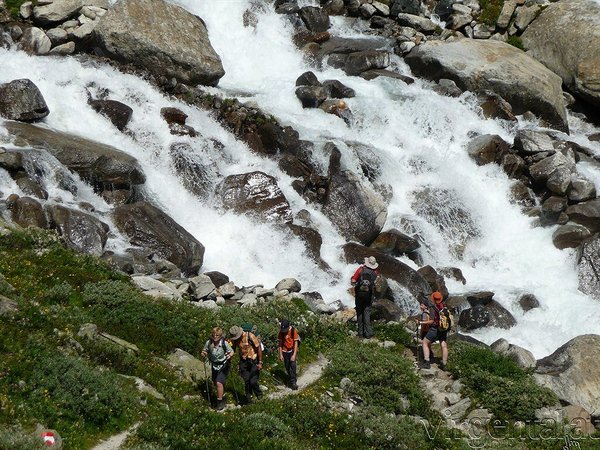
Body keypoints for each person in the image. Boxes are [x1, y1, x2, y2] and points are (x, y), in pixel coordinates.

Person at [201, 327, 233, 410]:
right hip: (214, 365)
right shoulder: (208, 343)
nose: (215, 336)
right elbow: (205, 350)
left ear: (221, 335)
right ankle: (223, 396)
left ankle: (220, 403)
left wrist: (229, 355)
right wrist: (204, 353)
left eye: (217, 335)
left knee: (219, 383)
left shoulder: (224, 343)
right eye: (213, 335)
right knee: (215, 382)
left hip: (224, 365)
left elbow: (232, 351)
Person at [229, 324, 263, 403]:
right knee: (246, 381)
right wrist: (229, 357)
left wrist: (260, 362)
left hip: (254, 360)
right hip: (243, 361)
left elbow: (258, 348)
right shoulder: (235, 340)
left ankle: (259, 394)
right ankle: (249, 399)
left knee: (253, 381)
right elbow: (233, 349)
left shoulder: (250, 336)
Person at [351, 256, 380, 339]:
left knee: (359, 312)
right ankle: (368, 333)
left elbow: (353, 280)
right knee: (367, 312)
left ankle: (360, 333)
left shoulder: (361, 269)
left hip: (359, 294)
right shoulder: (375, 273)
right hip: (369, 295)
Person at [419, 291, 449, 370]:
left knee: (425, 342)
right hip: (443, 328)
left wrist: (421, 322)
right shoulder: (443, 306)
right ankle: (444, 363)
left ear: (433, 299)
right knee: (443, 344)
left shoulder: (433, 307)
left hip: (435, 328)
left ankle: (427, 362)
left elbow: (432, 320)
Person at [278, 319, 299, 390]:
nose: (284, 331)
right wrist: (280, 354)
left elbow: (296, 343)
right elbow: (280, 344)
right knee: (287, 366)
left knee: (293, 365)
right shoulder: (281, 332)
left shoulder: (293, 331)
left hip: (292, 350)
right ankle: (291, 378)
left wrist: (294, 355)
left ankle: (293, 382)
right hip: (284, 351)